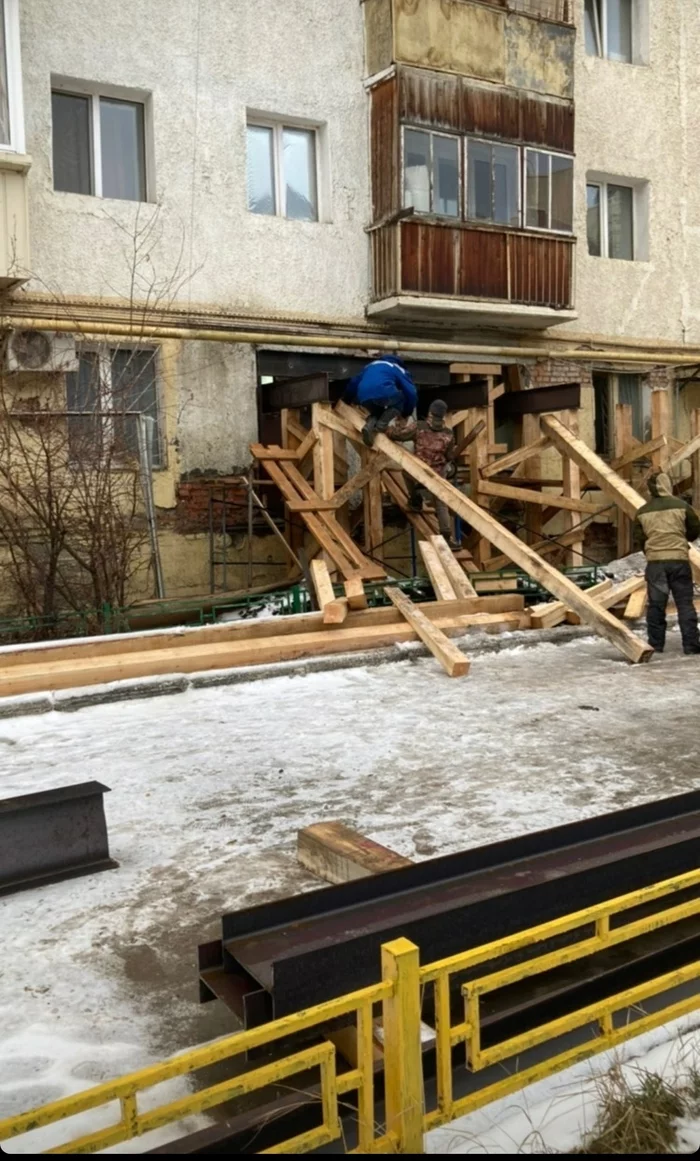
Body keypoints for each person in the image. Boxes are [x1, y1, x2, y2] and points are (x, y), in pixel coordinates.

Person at [634, 470, 700, 655]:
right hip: (678, 561)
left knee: (656, 605)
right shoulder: (682, 506)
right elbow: (695, 529)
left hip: (656, 564)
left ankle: (656, 645)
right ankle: (691, 644)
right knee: (685, 603)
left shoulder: (643, 511)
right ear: (668, 485)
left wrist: (651, 551)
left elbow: (639, 538)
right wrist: (681, 541)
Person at [388, 399, 459, 547]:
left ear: (430, 412)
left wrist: (386, 429)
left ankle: (415, 500)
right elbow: (450, 457)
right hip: (437, 476)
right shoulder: (448, 434)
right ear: (443, 416)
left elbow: (398, 436)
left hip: (418, 473)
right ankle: (447, 537)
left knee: (405, 472)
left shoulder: (419, 427)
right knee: (441, 504)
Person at [342, 354, 418, 446]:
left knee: (378, 411)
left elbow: (353, 383)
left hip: (363, 397)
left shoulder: (370, 366)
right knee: (402, 399)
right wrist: (406, 413)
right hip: (383, 392)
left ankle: (369, 425)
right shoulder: (396, 367)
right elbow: (411, 392)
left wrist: (347, 399)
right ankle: (381, 425)